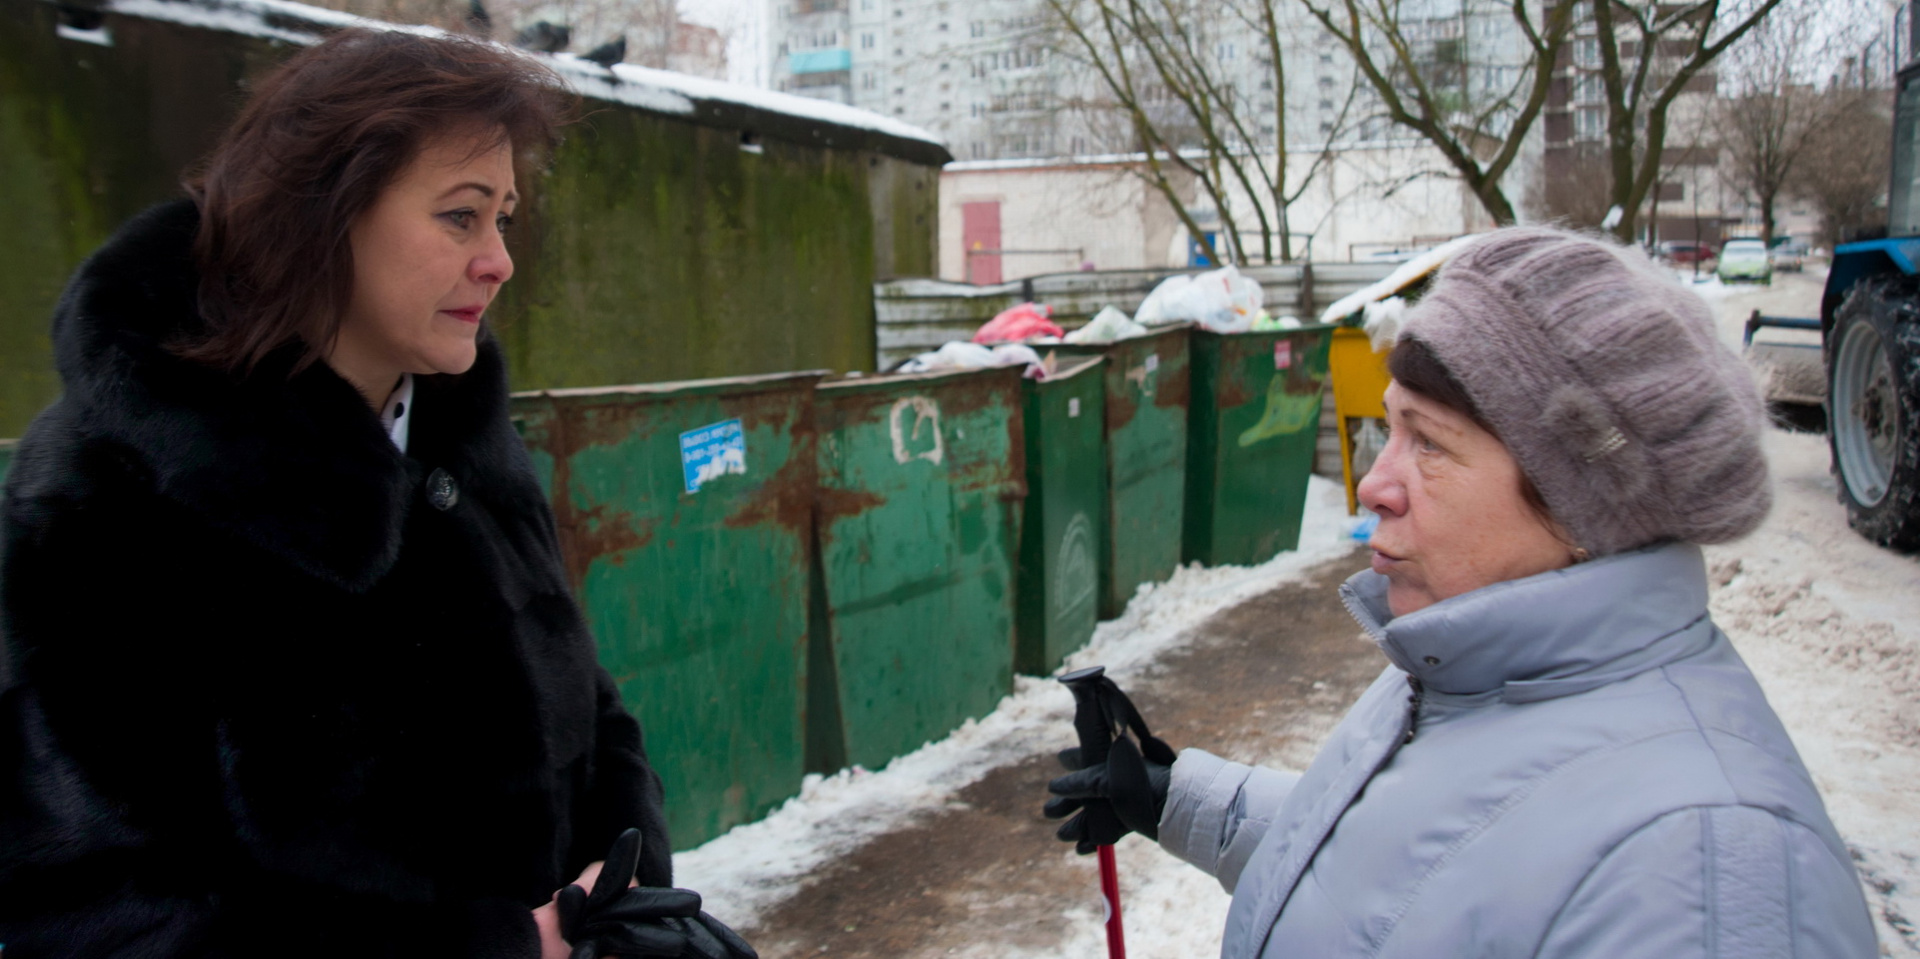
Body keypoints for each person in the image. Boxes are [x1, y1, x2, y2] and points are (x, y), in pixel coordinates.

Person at [0, 30, 751, 959]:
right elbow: (95, 908)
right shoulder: (106, 495)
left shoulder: (460, 441)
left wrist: (620, 881)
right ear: (323, 215)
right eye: (461, 217)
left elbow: (586, 704)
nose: (500, 261)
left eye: (504, 218)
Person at [1044, 227, 1880, 956]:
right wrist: (1175, 796)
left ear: (1587, 502)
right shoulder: (1467, 660)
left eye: (1429, 444)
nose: (1372, 485)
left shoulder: (1712, 875)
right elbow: (1417, 871)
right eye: (1389, 428)